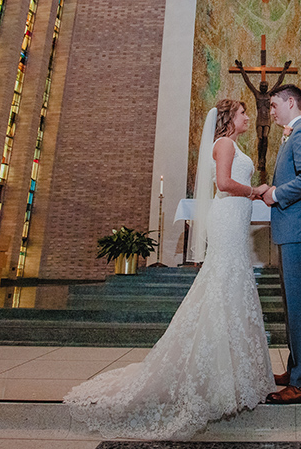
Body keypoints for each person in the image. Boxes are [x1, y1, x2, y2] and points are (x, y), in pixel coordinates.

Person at [64, 99, 273, 439]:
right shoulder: (223, 144)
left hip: (235, 219)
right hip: (229, 218)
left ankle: (235, 372)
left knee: (230, 286)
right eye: (243, 113)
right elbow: (222, 184)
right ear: (230, 119)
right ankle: (219, 374)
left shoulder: (232, 144)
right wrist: (255, 191)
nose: (248, 117)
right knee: (223, 284)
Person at [261, 84, 301, 404]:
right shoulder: (291, 134)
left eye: (274, 105)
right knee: (294, 308)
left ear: (290, 102)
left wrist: (275, 194)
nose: (271, 111)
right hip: (294, 231)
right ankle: (298, 369)